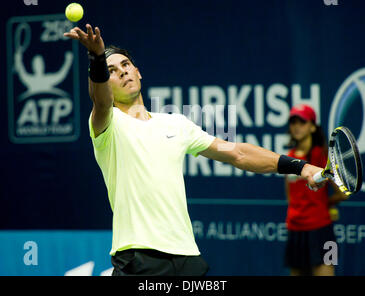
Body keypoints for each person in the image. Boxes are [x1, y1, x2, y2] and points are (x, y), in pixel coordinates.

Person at [64, 24, 325, 276]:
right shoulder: (107, 124)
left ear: (138, 72)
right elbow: (100, 100)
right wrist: (97, 58)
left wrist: (300, 166)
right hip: (138, 256)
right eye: (111, 70)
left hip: (187, 256)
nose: (122, 72)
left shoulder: (175, 123)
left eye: (125, 65)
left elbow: (238, 153)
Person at [284, 104, 348, 276]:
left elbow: (342, 192)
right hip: (295, 231)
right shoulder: (288, 157)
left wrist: (323, 204)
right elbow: (290, 197)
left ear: (312, 126)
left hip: (323, 231)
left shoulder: (323, 156)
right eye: (293, 122)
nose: (296, 126)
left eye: (302, 122)